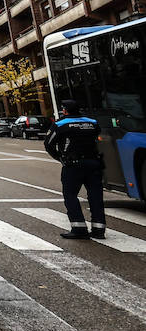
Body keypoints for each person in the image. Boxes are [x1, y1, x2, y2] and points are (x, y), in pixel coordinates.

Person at [43, 99, 105, 239]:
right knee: (95, 196)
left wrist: (60, 158)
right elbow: (98, 138)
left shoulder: (60, 124)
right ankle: (99, 229)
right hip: (94, 163)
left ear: (65, 110)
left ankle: (79, 228)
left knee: (70, 195)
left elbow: (48, 144)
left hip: (73, 165)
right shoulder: (92, 123)